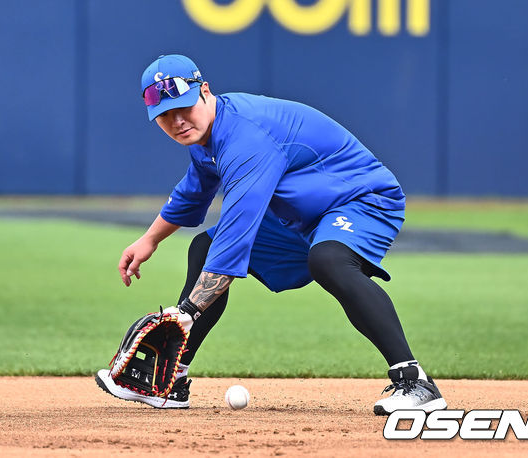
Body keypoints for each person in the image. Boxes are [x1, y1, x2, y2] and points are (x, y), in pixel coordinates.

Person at [96, 54, 447, 415]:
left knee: (329, 260)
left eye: (183, 107)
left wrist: (187, 311)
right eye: (165, 116)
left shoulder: (246, 139)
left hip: (361, 199)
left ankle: (415, 382)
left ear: (205, 91)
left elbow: (237, 237)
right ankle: (170, 382)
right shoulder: (207, 137)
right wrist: (150, 238)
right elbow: (192, 192)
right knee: (206, 246)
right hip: (302, 215)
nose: (178, 121)